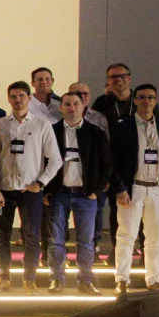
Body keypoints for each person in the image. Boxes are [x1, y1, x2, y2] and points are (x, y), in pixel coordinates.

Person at [0, 80, 60, 291]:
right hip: (4, 189)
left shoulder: (42, 125)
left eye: (21, 96)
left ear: (29, 98)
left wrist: (40, 183)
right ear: (8, 98)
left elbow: (55, 159)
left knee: (31, 236)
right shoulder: (0, 125)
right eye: (13, 96)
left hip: (30, 190)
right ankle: (4, 277)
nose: (17, 100)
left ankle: (29, 279)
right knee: (1, 237)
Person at [110, 83, 159, 293]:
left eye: (150, 97)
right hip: (133, 187)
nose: (146, 101)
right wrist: (120, 188)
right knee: (126, 235)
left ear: (155, 101)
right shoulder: (123, 127)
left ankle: (154, 279)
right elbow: (113, 161)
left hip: (158, 188)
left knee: (155, 237)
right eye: (142, 97)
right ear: (135, 101)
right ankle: (122, 278)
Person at [47, 90, 112, 295]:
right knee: (56, 240)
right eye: (67, 104)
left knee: (86, 241)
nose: (72, 108)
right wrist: (47, 191)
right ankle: (56, 279)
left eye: (76, 103)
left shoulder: (96, 133)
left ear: (83, 106)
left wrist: (97, 190)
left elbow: (107, 164)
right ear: (61, 108)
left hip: (86, 195)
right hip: (59, 194)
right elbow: (43, 162)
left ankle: (85, 280)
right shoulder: (52, 131)